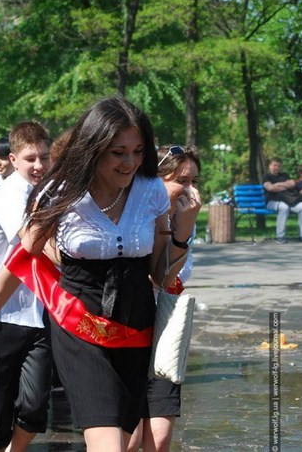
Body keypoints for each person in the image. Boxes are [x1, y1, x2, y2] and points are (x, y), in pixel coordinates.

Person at [0, 96, 201, 451]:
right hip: (80, 325)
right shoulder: (60, 191)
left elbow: (161, 277)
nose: (130, 162)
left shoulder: (150, 190)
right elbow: (24, 255)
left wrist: (183, 231)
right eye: (119, 152)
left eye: (137, 152)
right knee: (108, 444)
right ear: (95, 147)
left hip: (137, 327)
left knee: (125, 442)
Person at [0, 122, 53, 452]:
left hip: (38, 313)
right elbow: (32, 243)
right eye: (31, 158)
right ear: (13, 159)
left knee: (35, 407)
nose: (39, 165)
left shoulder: (49, 192)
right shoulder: (9, 195)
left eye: (44, 157)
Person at [127, 144, 201, 452]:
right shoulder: (135, 217)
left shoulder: (185, 219)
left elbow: (172, 279)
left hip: (164, 331)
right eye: (181, 181)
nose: (191, 190)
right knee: (128, 442)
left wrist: (183, 230)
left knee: (159, 441)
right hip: (128, 331)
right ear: (155, 181)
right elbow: (157, 276)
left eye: (194, 181)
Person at [262, 158, 302, 243]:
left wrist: (277, 185)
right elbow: (270, 188)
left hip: (287, 200)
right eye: (275, 165)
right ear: (270, 166)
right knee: (284, 207)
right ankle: (280, 237)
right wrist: (285, 186)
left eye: (279, 166)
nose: (277, 168)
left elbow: (292, 184)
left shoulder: (284, 175)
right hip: (272, 202)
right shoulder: (267, 176)